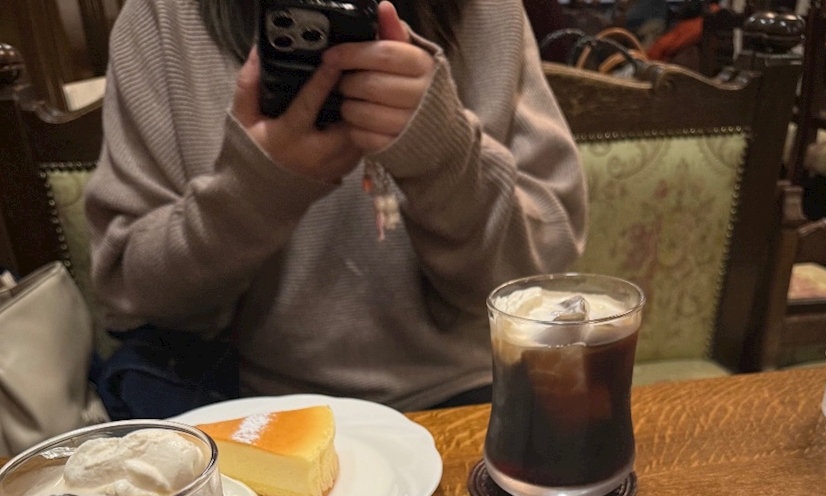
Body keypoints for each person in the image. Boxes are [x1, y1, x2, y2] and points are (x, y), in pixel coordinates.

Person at [85, 0, 587, 414]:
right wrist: (252, 190)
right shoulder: (163, 18)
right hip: (252, 404)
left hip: (479, 394)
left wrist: (444, 156)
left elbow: (540, 268)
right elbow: (134, 292)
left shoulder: (488, 12)